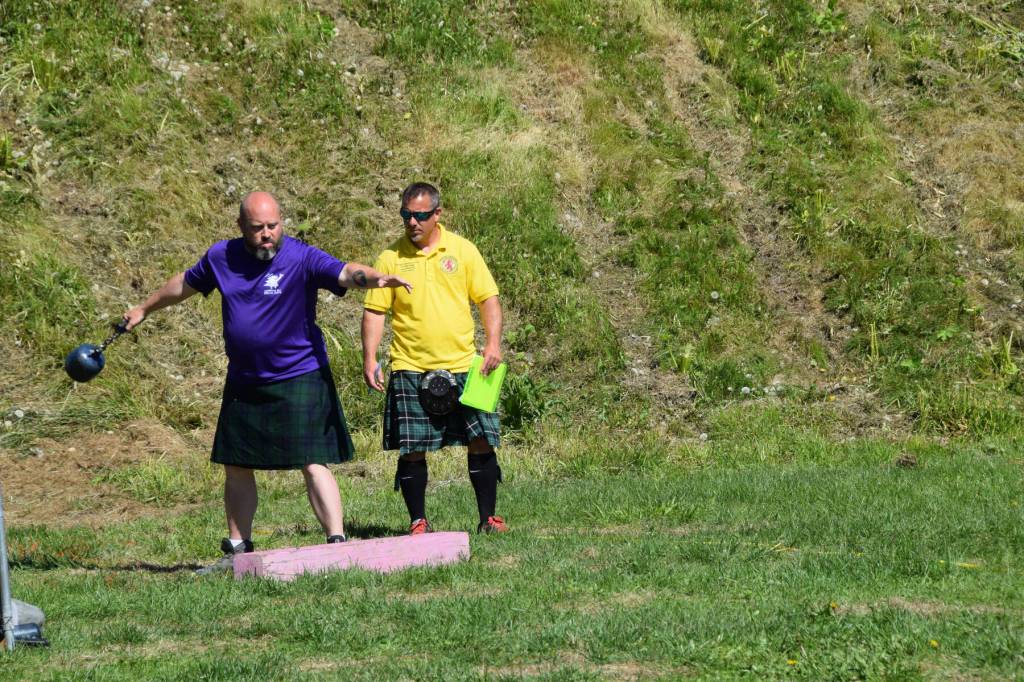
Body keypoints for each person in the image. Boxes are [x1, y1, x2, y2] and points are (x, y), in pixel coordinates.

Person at [123, 191, 410, 573]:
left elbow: (344, 272)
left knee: (312, 459)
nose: (266, 234)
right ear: (240, 226)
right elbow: (184, 284)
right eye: (257, 228)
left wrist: (375, 279)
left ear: (282, 224)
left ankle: (336, 541)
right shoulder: (221, 257)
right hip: (246, 377)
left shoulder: (301, 256)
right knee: (236, 463)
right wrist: (144, 308)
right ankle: (238, 545)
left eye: (272, 226)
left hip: (300, 372)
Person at [361, 182, 507, 535]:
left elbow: (488, 299)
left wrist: (493, 345)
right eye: (406, 215)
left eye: (421, 215)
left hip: (464, 366)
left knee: (481, 439)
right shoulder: (390, 258)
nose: (412, 222)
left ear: (437, 214)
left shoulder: (462, 250)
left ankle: (488, 518)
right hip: (411, 366)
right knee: (412, 448)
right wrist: (369, 358)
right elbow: (374, 312)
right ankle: (418, 522)